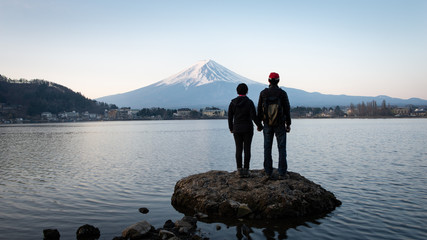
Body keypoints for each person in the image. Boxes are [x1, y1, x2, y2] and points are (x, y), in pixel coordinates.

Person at [257, 72, 291, 179]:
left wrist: (259, 124)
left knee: (267, 147)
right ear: (278, 81)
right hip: (280, 124)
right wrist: (288, 124)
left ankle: (268, 171)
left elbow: (259, 110)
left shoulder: (263, 93)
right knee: (282, 148)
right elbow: (287, 109)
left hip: (267, 123)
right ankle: (282, 172)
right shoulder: (282, 93)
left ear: (269, 80)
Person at [228, 83, 263, 178]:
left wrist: (231, 128)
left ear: (237, 91)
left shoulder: (232, 103)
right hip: (248, 128)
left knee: (238, 149)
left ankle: (239, 170)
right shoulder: (249, 102)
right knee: (247, 149)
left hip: (237, 129)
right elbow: (253, 116)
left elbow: (230, 118)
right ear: (247, 91)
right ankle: (246, 170)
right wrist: (259, 126)